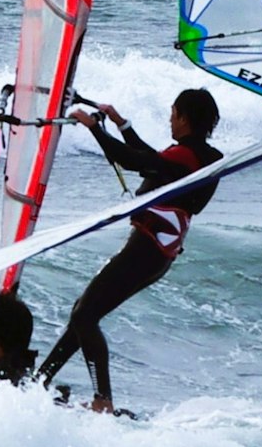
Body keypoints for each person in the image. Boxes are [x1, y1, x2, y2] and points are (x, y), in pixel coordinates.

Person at [40, 89, 226, 415]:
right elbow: (155, 163)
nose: (170, 118)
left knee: (85, 314)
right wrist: (121, 125)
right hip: (157, 253)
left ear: (183, 117)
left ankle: (102, 400)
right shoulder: (204, 157)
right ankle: (39, 381)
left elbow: (136, 161)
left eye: (173, 112)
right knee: (84, 312)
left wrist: (93, 128)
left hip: (147, 250)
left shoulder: (186, 157)